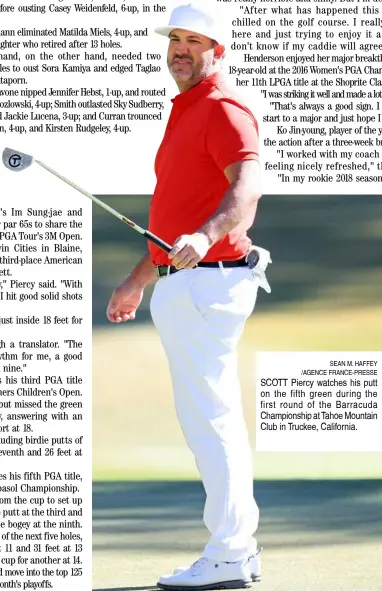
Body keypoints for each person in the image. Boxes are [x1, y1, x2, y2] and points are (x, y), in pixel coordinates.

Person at [106, 3, 271, 589]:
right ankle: (238, 549)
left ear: (217, 50)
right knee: (211, 418)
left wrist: (204, 236)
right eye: (174, 39)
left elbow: (246, 185)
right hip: (190, 283)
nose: (179, 49)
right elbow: (176, 213)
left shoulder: (223, 107)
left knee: (210, 421)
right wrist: (138, 277)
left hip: (210, 282)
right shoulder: (185, 111)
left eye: (193, 41)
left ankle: (228, 552)